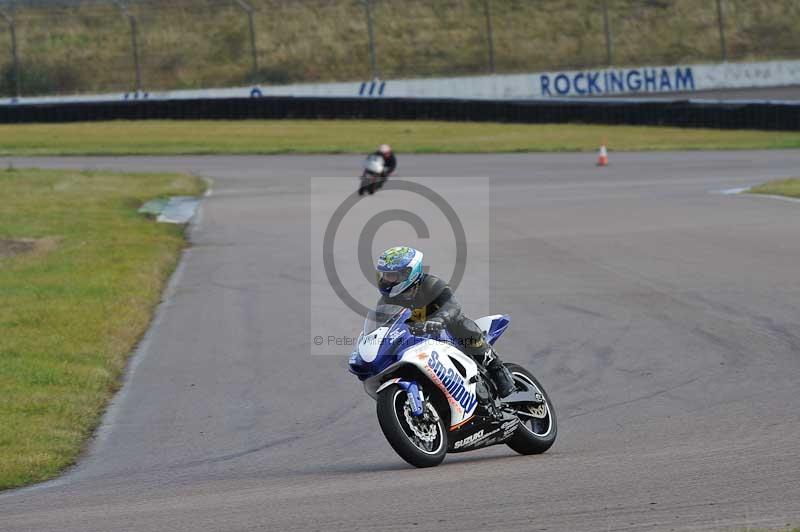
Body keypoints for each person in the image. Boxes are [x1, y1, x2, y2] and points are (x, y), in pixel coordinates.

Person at [374, 246, 516, 398]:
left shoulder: (431, 284)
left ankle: (496, 369)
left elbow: (453, 306)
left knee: (461, 324)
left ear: (408, 273)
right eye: (385, 275)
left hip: (443, 331)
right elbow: (384, 329)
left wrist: (439, 319)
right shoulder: (385, 302)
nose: (386, 280)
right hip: (414, 341)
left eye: (391, 276)